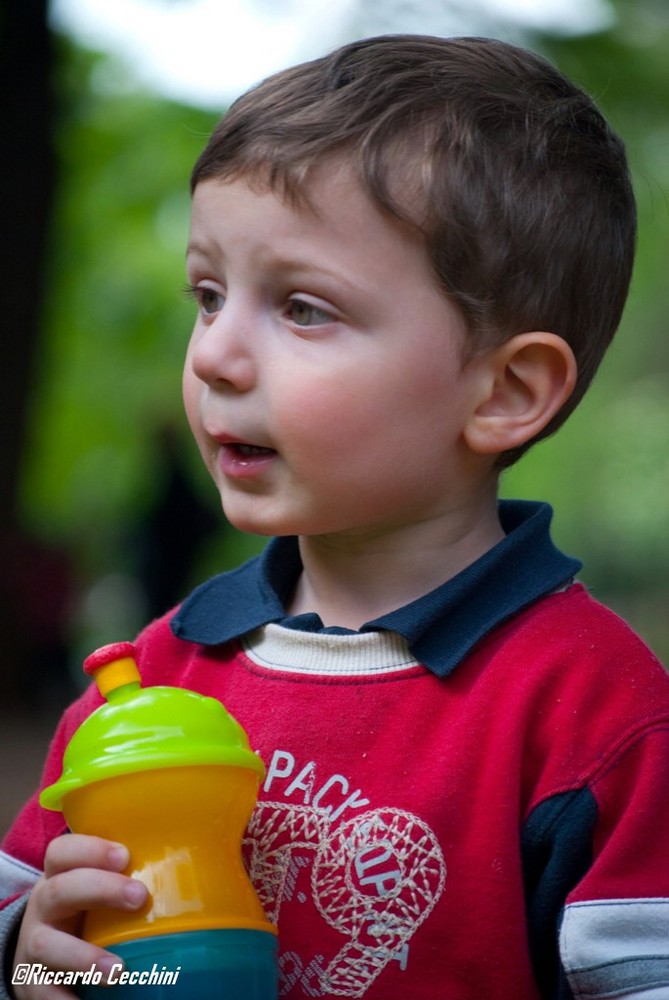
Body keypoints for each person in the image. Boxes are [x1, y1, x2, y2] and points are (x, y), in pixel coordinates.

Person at [1, 33, 668, 1000]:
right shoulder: (146, 684)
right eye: (208, 294)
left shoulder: (593, 714)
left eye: (303, 308)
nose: (215, 357)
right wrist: (37, 962)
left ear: (505, 391)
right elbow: (31, 939)